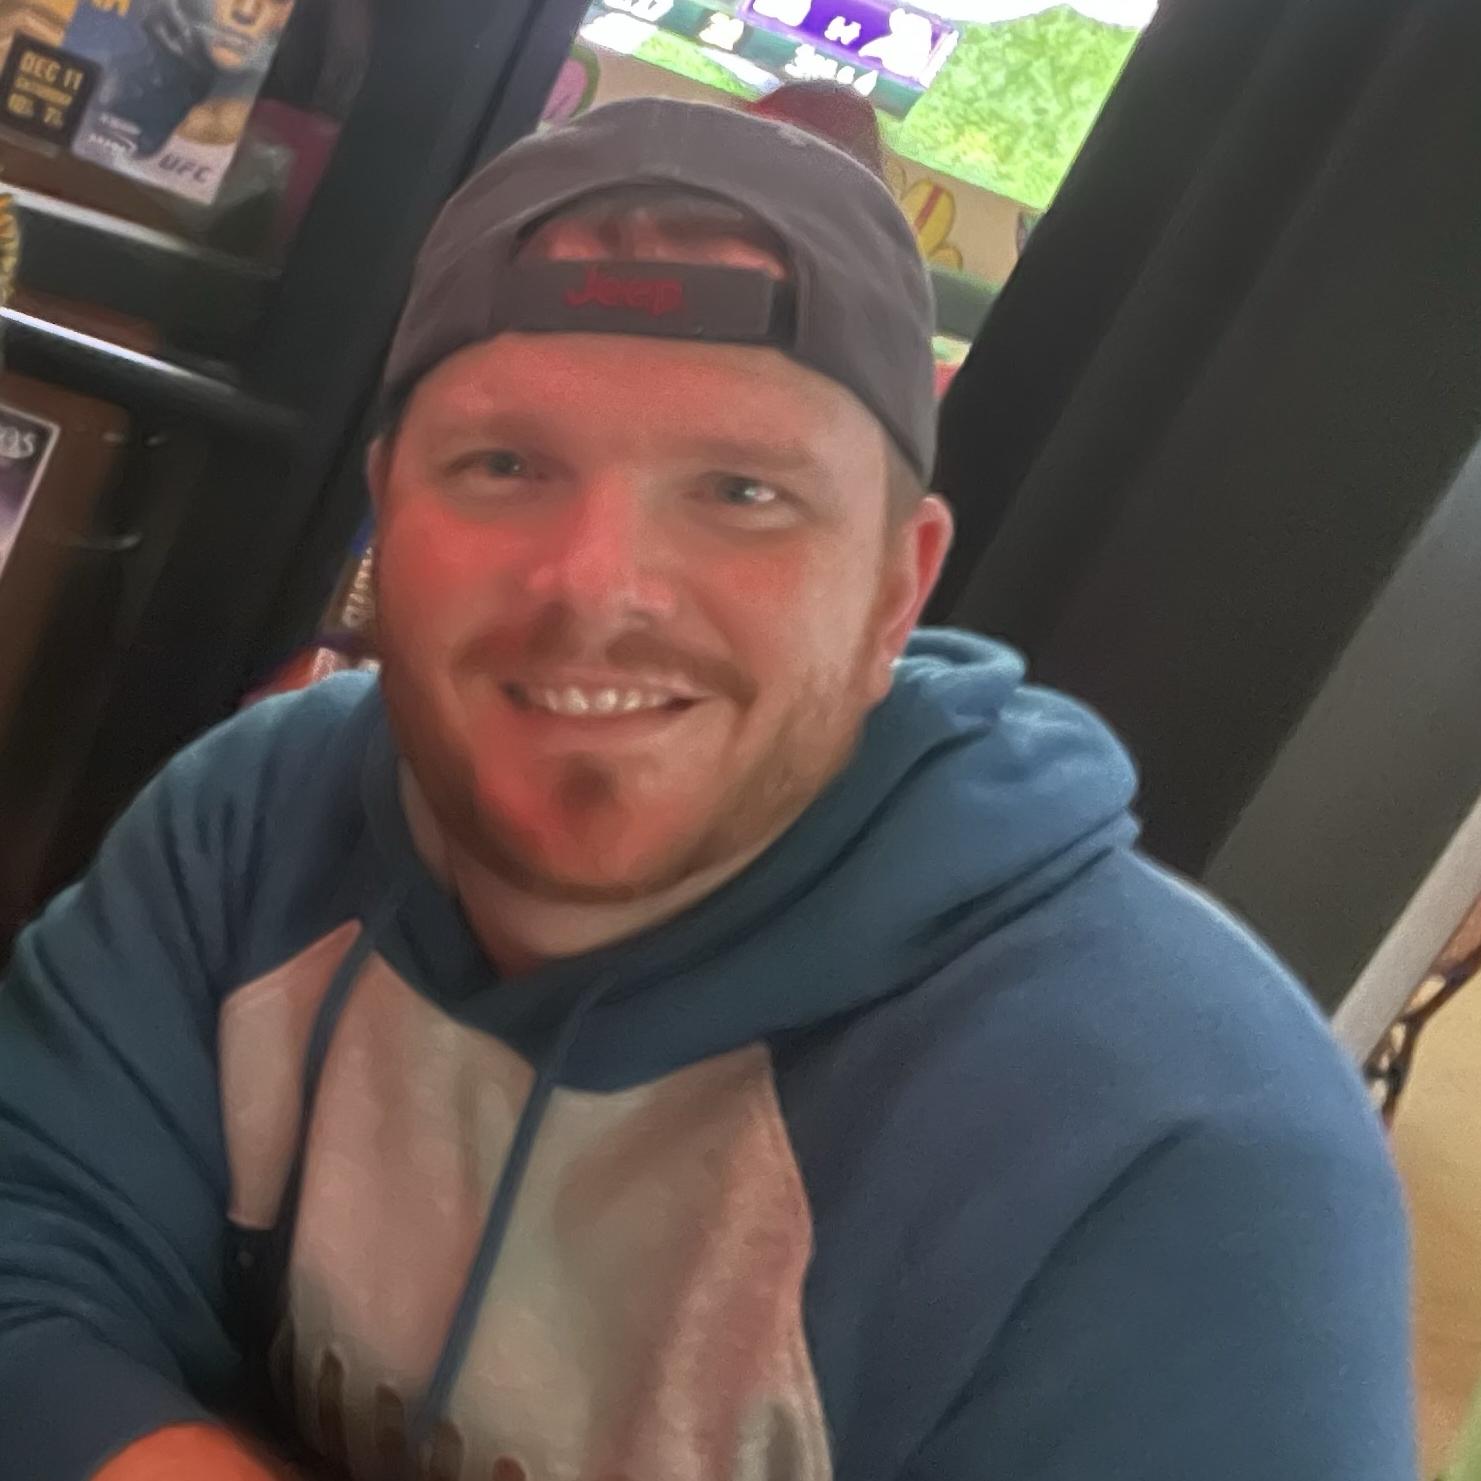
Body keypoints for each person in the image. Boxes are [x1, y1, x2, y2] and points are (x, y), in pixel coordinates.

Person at [0, 97, 1411, 1481]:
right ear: (387, 510)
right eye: (503, 465)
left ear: (896, 588)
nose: (596, 587)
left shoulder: (1177, 1147)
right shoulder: (258, 817)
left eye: (742, 492)